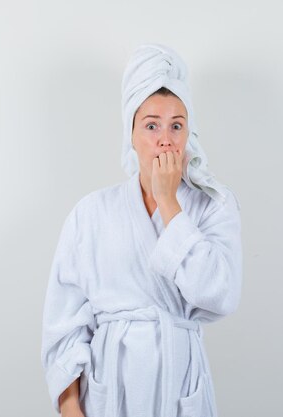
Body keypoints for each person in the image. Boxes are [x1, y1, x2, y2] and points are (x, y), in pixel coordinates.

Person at [40, 43, 243, 417]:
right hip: (109, 395)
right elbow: (63, 326)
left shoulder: (213, 204)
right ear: (131, 134)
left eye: (176, 126)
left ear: (189, 135)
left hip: (181, 389)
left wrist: (170, 204)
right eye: (151, 125)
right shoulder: (90, 214)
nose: (165, 139)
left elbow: (221, 294)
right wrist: (72, 410)